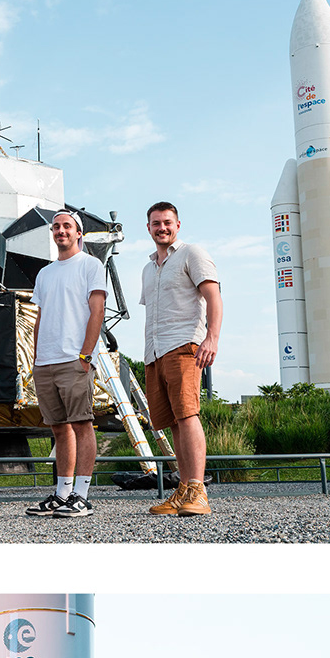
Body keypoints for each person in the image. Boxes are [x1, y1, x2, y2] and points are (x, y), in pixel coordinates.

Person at [137, 203, 221, 516]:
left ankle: (198, 492)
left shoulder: (192, 254)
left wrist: (211, 338)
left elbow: (214, 296)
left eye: (167, 222)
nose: (162, 228)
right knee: (171, 421)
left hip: (184, 344)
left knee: (187, 414)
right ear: (148, 228)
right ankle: (184, 490)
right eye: (156, 223)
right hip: (155, 351)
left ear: (178, 224)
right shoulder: (148, 269)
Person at [26, 211, 108, 518]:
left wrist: (86, 355)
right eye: (57, 226)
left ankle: (81, 496)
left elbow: (97, 310)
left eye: (67, 227)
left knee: (82, 425)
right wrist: (35, 358)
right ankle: (62, 494)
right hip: (46, 362)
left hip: (75, 358)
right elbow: (40, 318)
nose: (61, 231)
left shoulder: (90, 265)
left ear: (78, 234)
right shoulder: (45, 273)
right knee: (59, 429)